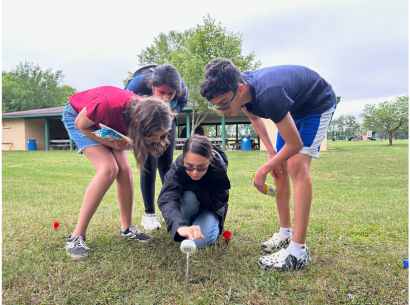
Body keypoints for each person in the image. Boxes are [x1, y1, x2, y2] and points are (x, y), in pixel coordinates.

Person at [200, 58, 337, 271]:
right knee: (279, 169)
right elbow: (255, 119)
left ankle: (298, 251)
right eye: (216, 106)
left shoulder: (268, 94)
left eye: (225, 103)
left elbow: (295, 144)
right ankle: (285, 232)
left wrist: (262, 168)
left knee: (296, 166)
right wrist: (272, 154)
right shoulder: (241, 89)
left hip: (317, 105)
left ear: (241, 89)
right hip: (295, 109)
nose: (221, 111)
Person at [62, 85, 173, 260]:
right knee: (109, 169)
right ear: (139, 125)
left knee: (125, 171)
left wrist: (120, 140)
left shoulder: (148, 111)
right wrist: (114, 144)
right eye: (154, 135)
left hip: (108, 124)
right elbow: (81, 125)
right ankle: (76, 236)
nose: (157, 140)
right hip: (78, 118)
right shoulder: (108, 106)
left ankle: (127, 228)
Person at [125, 64, 189, 230]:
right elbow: (124, 105)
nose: (166, 98)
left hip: (167, 120)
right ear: (152, 86)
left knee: (167, 164)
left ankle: (171, 208)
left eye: (170, 93)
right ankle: (149, 214)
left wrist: (174, 111)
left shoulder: (182, 88)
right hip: (145, 122)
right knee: (149, 162)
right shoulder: (137, 84)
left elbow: (182, 101)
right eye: (161, 92)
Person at [157, 135, 230, 248]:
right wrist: (179, 226)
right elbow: (167, 198)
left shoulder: (218, 169)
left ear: (210, 159)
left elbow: (218, 202)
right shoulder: (178, 167)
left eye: (201, 167)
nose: (195, 172)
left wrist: (195, 188)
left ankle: (197, 222)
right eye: (189, 166)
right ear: (183, 159)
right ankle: (185, 224)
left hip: (210, 208)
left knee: (200, 242)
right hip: (188, 203)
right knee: (189, 197)